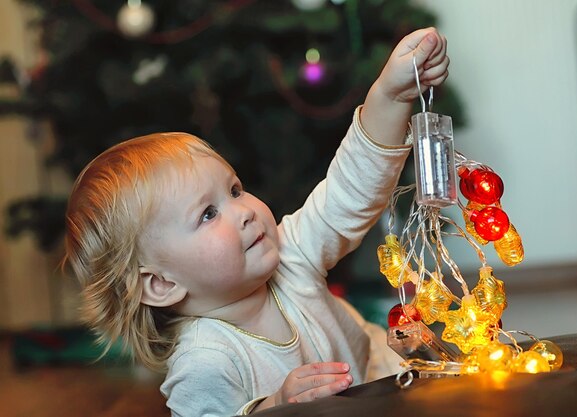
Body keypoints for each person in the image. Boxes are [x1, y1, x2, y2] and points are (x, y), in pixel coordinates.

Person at [63, 27, 449, 416]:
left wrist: (389, 96)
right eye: (208, 214)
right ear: (161, 284)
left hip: (394, 388)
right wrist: (275, 406)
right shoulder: (205, 363)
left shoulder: (290, 255)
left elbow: (349, 195)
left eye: (234, 190)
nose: (244, 210)